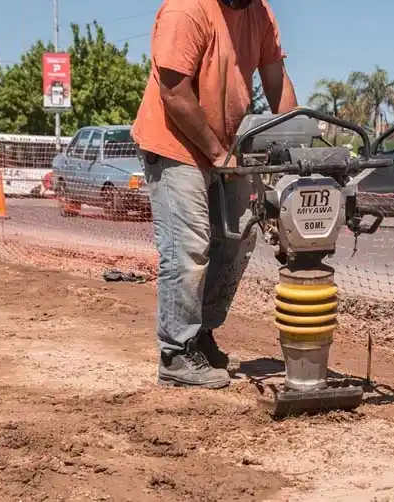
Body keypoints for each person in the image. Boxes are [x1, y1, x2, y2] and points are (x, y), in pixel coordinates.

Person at [131, 0, 298, 390]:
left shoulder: (259, 13)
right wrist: (219, 153)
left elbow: (276, 79)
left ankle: (201, 336)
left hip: (226, 144)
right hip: (174, 143)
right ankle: (175, 352)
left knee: (238, 236)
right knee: (189, 248)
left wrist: (296, 141)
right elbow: (174, 92)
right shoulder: (186, 10)